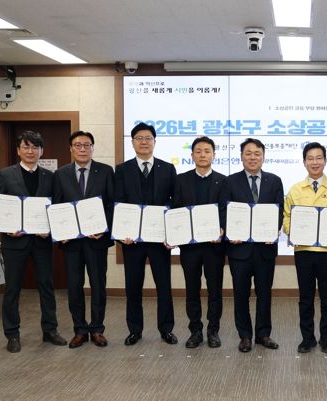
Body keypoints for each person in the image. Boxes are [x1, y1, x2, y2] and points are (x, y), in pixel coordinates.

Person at [0, 130, 67, 352]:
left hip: (42, 242)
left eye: (35, 147)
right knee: (12, 289)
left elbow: (56, 208)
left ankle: (50, 330)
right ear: (18, 150)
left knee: (47, 286)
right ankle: (12, 334)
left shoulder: (50, 176)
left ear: (41, 151)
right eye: (26, 147)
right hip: (15, 242)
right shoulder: (5, 175)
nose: (30, 151)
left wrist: (50, 229)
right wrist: (7, 228)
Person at [114, 122, 177, 346]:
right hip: (132, 241)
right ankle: (135, 330)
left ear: (154, 142)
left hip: (159, 240)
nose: (144, 142)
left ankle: (166, 329)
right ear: (132, 143)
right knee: (133, 286)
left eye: (148, 138)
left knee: (164, 285)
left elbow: (174, 203)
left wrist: (172, 233)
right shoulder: (122, 170)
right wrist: (121, 233)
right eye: (139, 138)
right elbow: (118, 202)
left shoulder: (167, 169)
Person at [283, 142, 327, 354]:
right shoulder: (295, 189)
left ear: (325, 161)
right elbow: (286, 218)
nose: (315, 162)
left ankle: (326, 338)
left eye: (319, 157)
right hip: (303, 251)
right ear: (304, 162)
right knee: (305, 298)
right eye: (310, 158)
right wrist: (293, 231)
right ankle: (307, 338)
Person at [52, 131, 114, 349]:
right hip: (72, 243)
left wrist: (104, 229)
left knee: (98, 285)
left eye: (86, 145)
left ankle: (97, 329)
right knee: (74, 286)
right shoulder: (60, 174)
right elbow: (57, 206)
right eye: (77, 145)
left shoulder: (105, 171)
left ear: (92, 148)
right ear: (71, 149)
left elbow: (111, 204)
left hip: (97, 241)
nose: (82, 149)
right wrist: (61, 233)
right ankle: (79, 329)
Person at [223, 138, 284, 352]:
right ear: (241, 157)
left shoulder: (274, 181)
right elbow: (224, 211)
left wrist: (274, 230)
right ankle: (245, 336)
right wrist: (230, 231)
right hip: (239, 249)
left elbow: (279, 211)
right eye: (248, 153)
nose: (252, 157)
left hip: (265, 249)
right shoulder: (230, 182)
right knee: (240, 294)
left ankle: (263, 334)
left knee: (264, 294)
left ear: (263, 156)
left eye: (257, 153)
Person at [172, 136, 227, 349]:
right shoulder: (181, 180)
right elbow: (176, 210)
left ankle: (213, 330)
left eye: (207, 151)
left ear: (214, 155)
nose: (203, 155)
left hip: (214, 246)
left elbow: (225, 210)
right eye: (198, 151)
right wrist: (173, 233)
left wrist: (222, 229)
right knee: (192, 290)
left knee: (215, 291)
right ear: (192, 155)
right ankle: (195, 331)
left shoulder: (224, 181)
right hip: (190, 248)